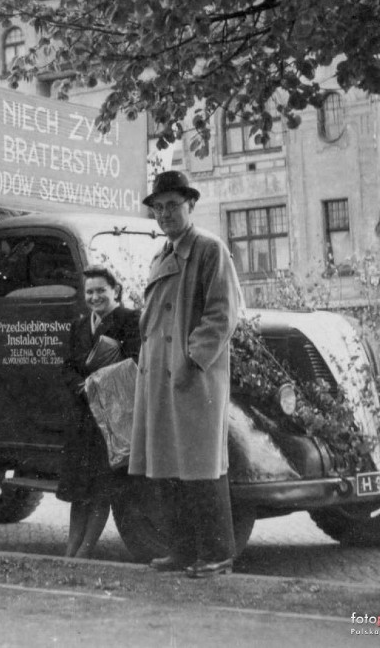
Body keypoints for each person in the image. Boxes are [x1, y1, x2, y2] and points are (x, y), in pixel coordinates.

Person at [129, 170, 242, 578]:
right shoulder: (162, 254)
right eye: (158, 208)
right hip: (159, 374)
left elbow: (222, 312)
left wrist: (193, 361)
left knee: (201, 465)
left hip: (193, 374)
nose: (164, 214)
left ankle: (216, 554)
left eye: (172, 206)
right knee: (167, 465)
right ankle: (180, 549)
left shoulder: (210, 249)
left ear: (190, 205)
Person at [56, 266, 141, 558]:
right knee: (80, 488)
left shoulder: (131, 320)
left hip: (112, 419)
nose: (94, 297)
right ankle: (70, 551)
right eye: (89, 291)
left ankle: (84, 554)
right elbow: (66, 366)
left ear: (115, 290)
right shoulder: (79, 325)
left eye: (100, 291)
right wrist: (79, 384)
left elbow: (135, 364)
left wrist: (96, 383)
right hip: (82, 418)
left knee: (101, 488)